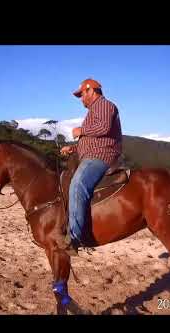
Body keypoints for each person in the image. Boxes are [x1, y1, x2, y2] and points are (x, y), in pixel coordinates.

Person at [59, 78, 123, 256]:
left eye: (82, 94)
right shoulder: (93, 111)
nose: (81, 99)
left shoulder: (104, 105)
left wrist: (81, 131)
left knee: (78, 184)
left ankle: (75, 237)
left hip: (102, 155)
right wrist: (73, 148)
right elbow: (91, 140)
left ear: (91, 90)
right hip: (91, 154)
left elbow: (103, 127)